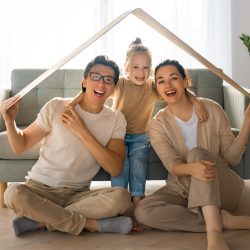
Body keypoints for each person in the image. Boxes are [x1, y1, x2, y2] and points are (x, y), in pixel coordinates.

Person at [1, 55, 133, 236]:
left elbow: (115, 168)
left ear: (114, 88)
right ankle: (92, 224)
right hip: (40, 189)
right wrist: (10, 122)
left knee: (122, 197)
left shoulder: (116, 119)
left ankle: (43, 220)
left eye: (108, 80)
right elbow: (20, 145)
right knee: (12, 193)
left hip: (78, 194)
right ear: (84, 80)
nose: (101, 84)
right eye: (95, 77)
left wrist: (82, 131)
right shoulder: (57, 106)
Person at [69, 39, 207, 206]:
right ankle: (119, 195)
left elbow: (181, 91)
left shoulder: (152, 86)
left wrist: (197, 102)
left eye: (146, 67)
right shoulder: (120, 84)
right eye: (135, 67)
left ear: (151, 68)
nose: (141, 72)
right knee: (121, 166)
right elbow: (87, 91)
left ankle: (137, 198)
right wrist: (70, 105)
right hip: (117, 135)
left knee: (138, 164)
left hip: (140, 137)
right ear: (126, 68)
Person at [134, 59, 250, 250]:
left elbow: (232, 157)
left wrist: (246, 124)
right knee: (143, 212)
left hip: (221, 186)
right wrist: (193, 169)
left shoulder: (212, 108)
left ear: (185, 80)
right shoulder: (158, 124)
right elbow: (172, 165)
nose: (168, 85)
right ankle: (223, 220)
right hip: (181, 188)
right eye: (161, 81)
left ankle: (214, 234)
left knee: (197, 154)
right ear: (157, 87)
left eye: (173, 78)